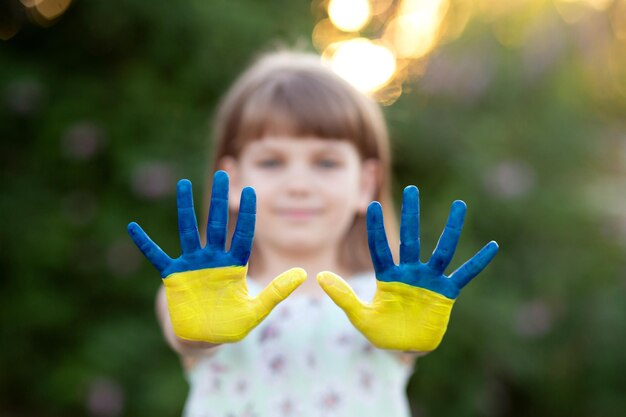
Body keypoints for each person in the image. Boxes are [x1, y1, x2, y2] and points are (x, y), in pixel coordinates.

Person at [127, 51, 499, 417]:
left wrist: (413, 339)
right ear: (234, 179)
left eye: (326, 162)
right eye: (272, 162)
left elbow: (410, 344)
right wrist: (202, 331)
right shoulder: (201, 291)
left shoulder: (390, 297)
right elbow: (188, 337)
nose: (299, 185)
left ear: (365, 183)